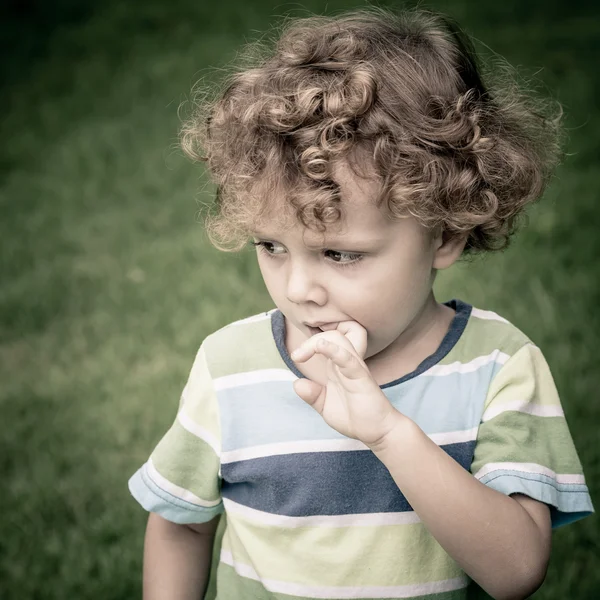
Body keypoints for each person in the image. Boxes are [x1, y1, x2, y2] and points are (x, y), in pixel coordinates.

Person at [128, 6, 594, 599]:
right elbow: (180, 525)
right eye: (271, 246)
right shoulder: (231, 367)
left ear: (443, 234)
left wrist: (389, 434)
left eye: (340, 255)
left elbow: (516, 572)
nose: (299, 289)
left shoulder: (497, 365)